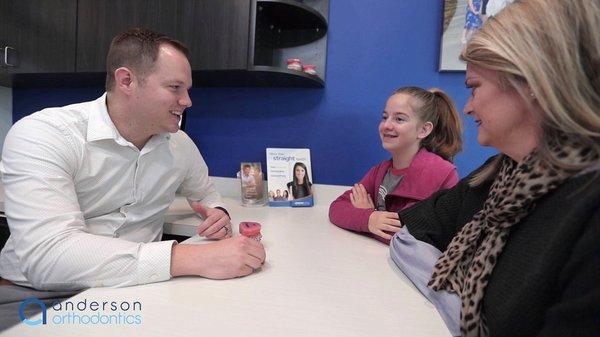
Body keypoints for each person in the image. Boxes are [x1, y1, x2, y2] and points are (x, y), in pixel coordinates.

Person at [0, 28, 266, 292]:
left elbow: (206, 193)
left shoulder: (180, 145)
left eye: (187, 89)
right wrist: (195, 258)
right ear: (126, 81)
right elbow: (48, 258)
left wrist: (218, 213)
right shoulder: (44, 134)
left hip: (138, 287)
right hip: (37, 293)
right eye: (175, 87)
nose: (187, 101)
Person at [390, 0, 599, 335]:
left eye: (474, 87)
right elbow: (417, 221)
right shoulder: (497, 174)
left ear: (531, 80)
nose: (469, 107)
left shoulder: (587, 214)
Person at [329, 86, 463, 244]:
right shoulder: (380, 170)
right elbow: (337, 208)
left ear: (424, 130)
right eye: (385, 117)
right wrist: (370, 219)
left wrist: (366, 213)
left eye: (399, 119)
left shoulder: (441, 174)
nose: (386, 125)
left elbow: (408, 237)